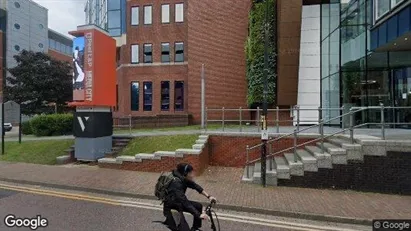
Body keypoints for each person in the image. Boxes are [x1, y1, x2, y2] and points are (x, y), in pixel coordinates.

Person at [163, 163, 216, 231]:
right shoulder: (176, 183)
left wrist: (209, 196)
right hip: (171, 207)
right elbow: (184, 201)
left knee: (198, 206)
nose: (192, 175)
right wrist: (198, 215)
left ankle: (195, 228)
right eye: (190, 173)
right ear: (185, 173)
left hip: (178, 203)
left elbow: (195, 186)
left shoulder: (182, 178)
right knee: (184, 228)